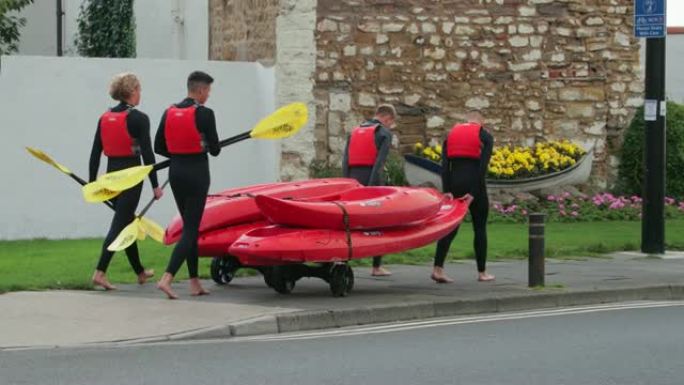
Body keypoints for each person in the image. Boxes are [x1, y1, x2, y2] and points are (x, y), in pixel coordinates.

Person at [89, 72, 163, 290]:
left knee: (127, 221)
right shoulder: (139, 118)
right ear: (131, 92)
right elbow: (148, 156)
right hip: (131, 177)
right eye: (139, 89)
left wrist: (93, 182)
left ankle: (140, 272)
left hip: (111, 177)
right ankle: (100, 272)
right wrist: (156, 185)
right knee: (120, 224)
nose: (141, 94)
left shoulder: (104, 117)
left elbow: (95, 153)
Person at [154, 71, 220, 299]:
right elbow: (215, 149)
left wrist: (178, 152)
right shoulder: (205, 114)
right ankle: (167, 278)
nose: (208, 95)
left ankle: (194, 282)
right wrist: (203, 145)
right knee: (191, 229)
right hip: (197, 173)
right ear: (201, 90)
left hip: (176, 173)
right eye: (208, 91)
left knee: (190, 227)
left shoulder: (169, 111)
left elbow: (158, 146)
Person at [431, 110, 495, 283]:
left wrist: (447, 190)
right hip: (475, 185)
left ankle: (438, 268)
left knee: (450, 227)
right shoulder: (484, 136)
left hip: (455, 184)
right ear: (481, 121)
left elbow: (444, 166)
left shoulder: (451, 135)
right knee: (479, 228)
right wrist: (473, 193)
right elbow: (482, 168)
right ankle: (482, 273)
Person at [342, 104, 396, 277]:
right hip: (371, 178)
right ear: (387, 118)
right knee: (379, 223)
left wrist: (347, 183)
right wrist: (371, 188)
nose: (389, 126)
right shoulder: (384, 133)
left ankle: (341, 260)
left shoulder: (355, 131)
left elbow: (345, 160)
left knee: (348, 221)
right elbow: (379, 164)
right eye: (390, 123)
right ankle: (376, 267)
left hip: (353, 178)